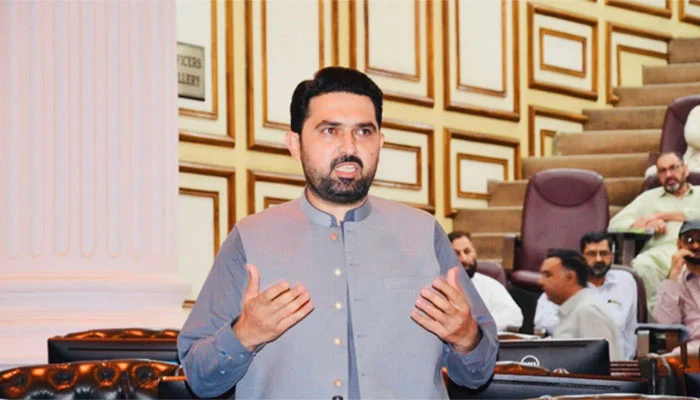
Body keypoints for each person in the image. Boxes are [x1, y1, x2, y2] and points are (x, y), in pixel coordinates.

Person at [177, 67, 498, 399]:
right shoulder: (249, 239)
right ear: (295, 144)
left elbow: (479, 373)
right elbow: (199, 379)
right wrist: (244, 335)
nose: (349, 147)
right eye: (330, 131)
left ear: (380, 142)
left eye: (364, 131)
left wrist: (467, 338)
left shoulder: (425, 234)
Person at [608, 152, 700, 314]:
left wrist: (660, 215)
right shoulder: (648, 198)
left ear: (685, 170)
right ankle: (657, 321)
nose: (669, 175)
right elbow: (616, 223)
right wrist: (641, 224)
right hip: (660, 254)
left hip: (696, 249)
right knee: (643, 265)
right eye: (662, 171)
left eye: (673, 168)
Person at [534, 232, 638, 359]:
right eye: (592, 254)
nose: (540, 281)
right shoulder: (573, 308)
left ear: (570, 278)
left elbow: (602, 365)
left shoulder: (588, 312)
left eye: (548, 275)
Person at [448, 231, 523, 331]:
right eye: (456, 254)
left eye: (467, 251)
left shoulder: (490, 285)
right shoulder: (438, 286)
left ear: (475, 252)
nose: (464, 259)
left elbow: (515, 316)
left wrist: (478, 325)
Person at [653, 219, 700, 346]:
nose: (696, 246)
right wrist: (673, 274)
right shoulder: (674, 283)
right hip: (691, 349)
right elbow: (665, 322)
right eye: (689, 240)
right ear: (679, 245)